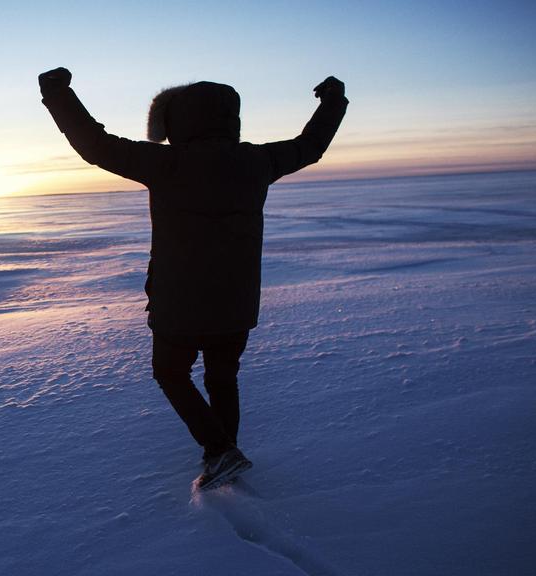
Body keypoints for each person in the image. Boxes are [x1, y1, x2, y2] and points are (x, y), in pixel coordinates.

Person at [39, 67, 348, 489]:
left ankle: (221, 452)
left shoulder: (166, 163)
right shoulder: (258, 161)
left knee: (170, 373)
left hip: (179, 303)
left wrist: (57, 94)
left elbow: (96, 145)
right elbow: (310, 146)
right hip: (237, 302)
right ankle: (223, 455)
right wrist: (333, 102)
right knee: (222, 378)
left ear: (176, 122)